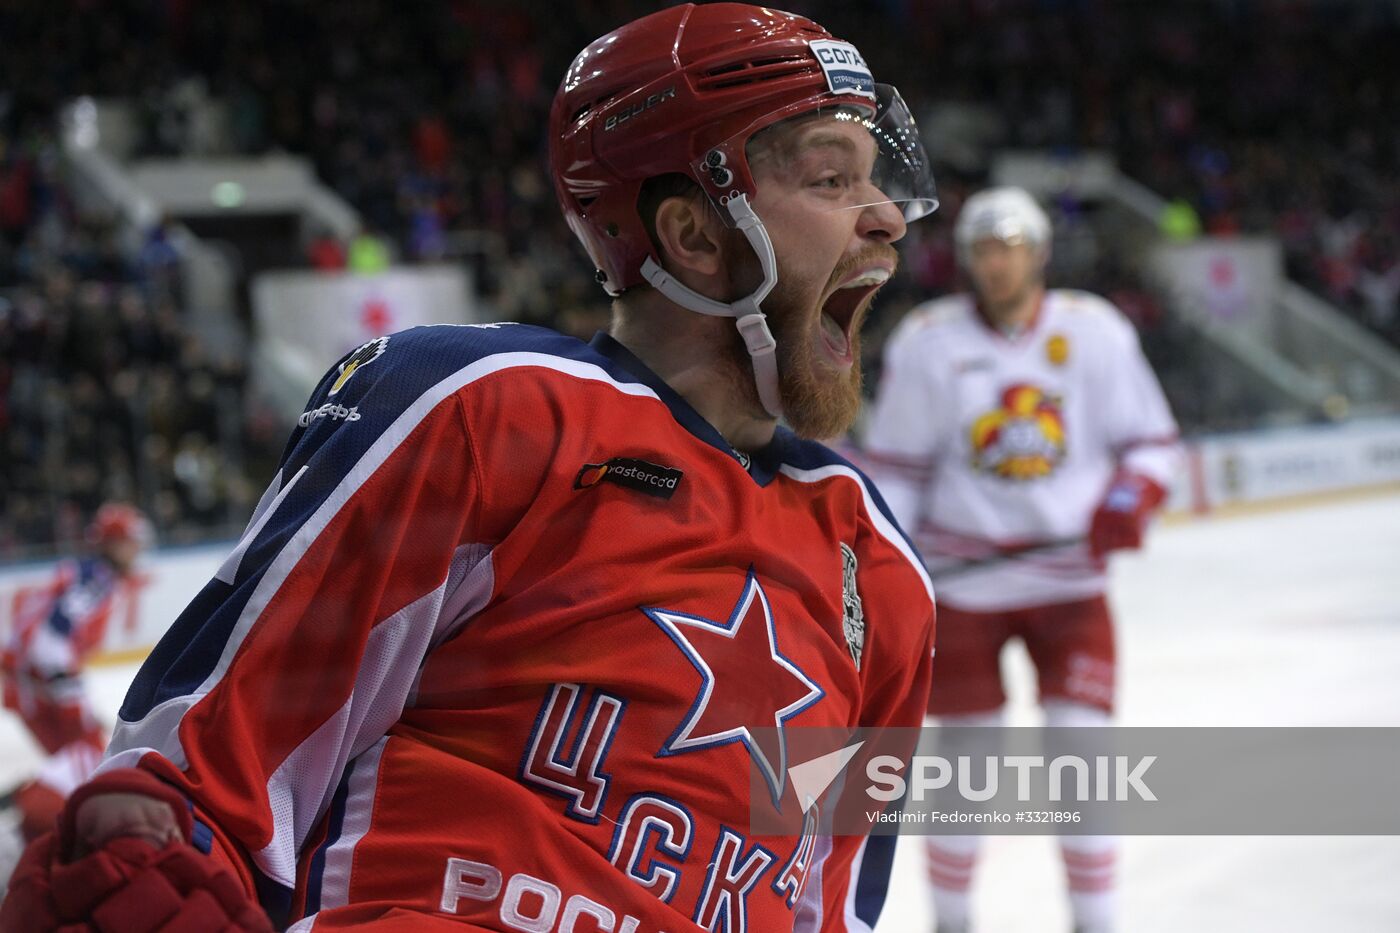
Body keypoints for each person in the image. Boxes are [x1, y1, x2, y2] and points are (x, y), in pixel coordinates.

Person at [1, 5, 939, 930]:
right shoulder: (486, 408)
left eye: (876, 182)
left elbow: (831, 906)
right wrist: (141, 842)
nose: (889, 219)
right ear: (693, 236)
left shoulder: (883, 569)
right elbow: (199, 783)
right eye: (830, 179)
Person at [862, 187, 1182, 933]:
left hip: (1070, 589)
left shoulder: (1095, 330)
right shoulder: (928, 340)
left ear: (1039, 253)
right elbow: (900, 469)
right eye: (982, 248)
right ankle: (952, 920)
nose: (996, 262)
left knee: (1084, 757)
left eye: (1009, 247)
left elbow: (1153, 443)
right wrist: (891, 565)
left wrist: (1132, 494)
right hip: (965, 589)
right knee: (967, 768)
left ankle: (1095, 922)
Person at [0, 504, 151, 846]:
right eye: (132, 540)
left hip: (29, 685)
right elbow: (49, 641)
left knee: (75, 761)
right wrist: (73, 699)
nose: (138, 548)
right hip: (37, 688)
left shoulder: (90, 574)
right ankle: (29, 826)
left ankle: (28, 817)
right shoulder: (96, 581)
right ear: (113, 543)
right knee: (88, 760)